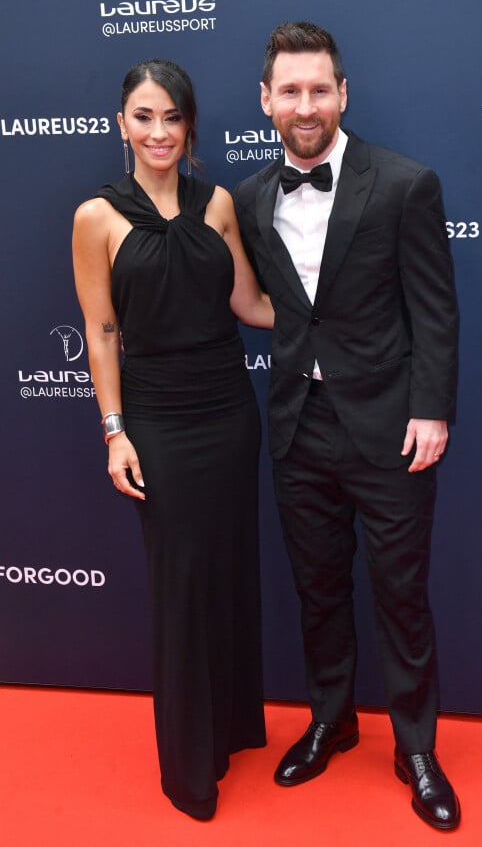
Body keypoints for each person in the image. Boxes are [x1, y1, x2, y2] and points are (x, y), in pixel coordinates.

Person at [234, 22, 461, 831]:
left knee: (401, 595)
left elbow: (434, 311)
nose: (306, 105)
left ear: (343, 95)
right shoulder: (253, 198)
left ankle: (416, 746)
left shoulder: (404, 184)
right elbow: (270, 307)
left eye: (319, 89)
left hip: (394, 429)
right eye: (289, 91)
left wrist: (431, 409)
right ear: (265, 100)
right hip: (299, 427)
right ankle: (332, 718)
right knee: (319, 589)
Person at [72, 58, 274, 821]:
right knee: (181, 587)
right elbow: (100, 331)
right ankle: (188, 769)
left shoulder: (217, 200)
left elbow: (250, 304)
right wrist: (114, 432)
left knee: (225, 574)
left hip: (230, 414)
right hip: (157, 421)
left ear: (190, 125)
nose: (159, 131)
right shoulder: (96, 216)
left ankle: (224, 734)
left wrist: (337, 321)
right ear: (121, 124)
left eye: (173, 117)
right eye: (144, 116)